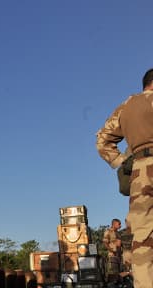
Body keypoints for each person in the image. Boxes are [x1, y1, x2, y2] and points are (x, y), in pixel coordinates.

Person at [96, 68, 153, 288]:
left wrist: (122, 162)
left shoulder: (129, 105)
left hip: (141, 173)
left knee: (143, 239)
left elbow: (103, 140)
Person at [103, 219, 123, 283]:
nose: (120, 225)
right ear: (114, 224)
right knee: (112, 275)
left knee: (119, 275)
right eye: (119, 224)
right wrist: (112, 250)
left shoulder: (118, 233)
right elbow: (105, 243)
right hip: (112, 256)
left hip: (119, 256)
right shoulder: (108, 231)